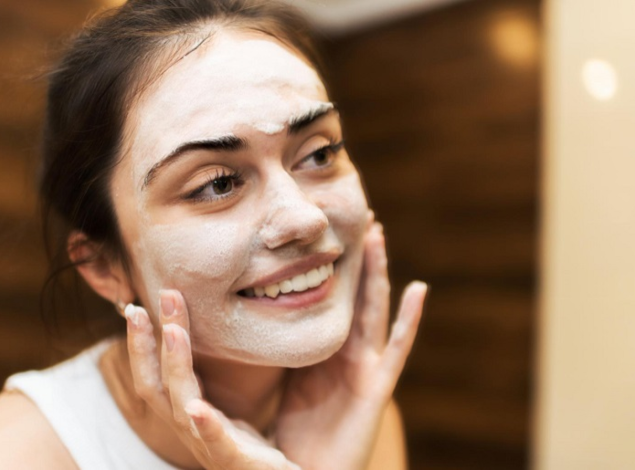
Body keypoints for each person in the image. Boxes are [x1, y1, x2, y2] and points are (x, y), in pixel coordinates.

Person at [0, 0, 428, 468]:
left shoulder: (361, 414)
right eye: (217, 184)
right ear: (104, 267)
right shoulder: (20, 449)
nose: (305, 220)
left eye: (319, 154)